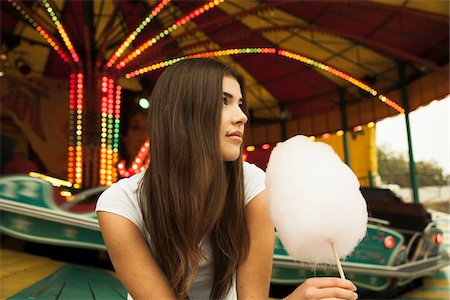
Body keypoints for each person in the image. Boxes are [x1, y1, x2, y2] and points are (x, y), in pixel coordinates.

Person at [96, 58, 358, 300]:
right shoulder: (119, 206)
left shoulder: (253, 187)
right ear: (182, 112)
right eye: (224, 101)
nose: (242, 116)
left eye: (240, 104)